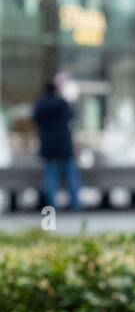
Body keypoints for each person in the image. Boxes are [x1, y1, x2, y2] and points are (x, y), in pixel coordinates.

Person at [32, 77, 81, 212]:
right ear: (56, 90)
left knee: (51, 179)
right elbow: (71, 116)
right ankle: (75, 205)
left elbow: (34, 119)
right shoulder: (62, 103)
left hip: (48, 146)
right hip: (64, 145)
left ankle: (51, 207)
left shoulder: (40, 105)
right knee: (71, 177)